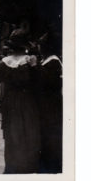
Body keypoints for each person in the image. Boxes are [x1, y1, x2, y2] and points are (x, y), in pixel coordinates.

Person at [0, 29, 41, 174]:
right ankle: (24, 168)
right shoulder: (30, 61)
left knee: (10, 135)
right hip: (27, 102)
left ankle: (10, 168)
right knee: (27, 134)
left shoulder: (4, 62)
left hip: (10, 102)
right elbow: (38, 83)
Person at [37, 34, 63, 173]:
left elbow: (49, 83)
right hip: (46, 105)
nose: (38, 48)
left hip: (51, 106)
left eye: (40, 45)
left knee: (50, 136)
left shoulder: (53, 63)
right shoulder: (47, 61)